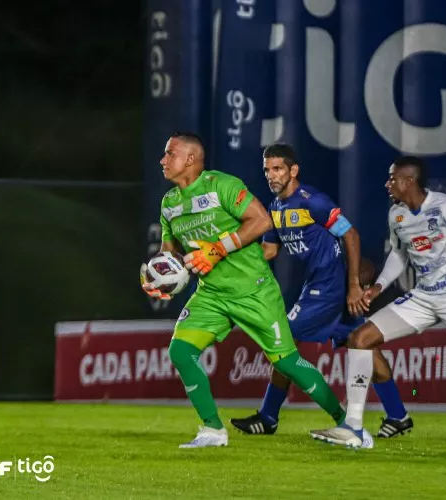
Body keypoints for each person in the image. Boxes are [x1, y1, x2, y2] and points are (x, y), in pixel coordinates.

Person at [309, 155, 446, 456]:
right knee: (360, 339)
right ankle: (354, 427)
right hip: (423, 296)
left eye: (392, 178)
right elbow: (399, 256)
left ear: (409, 181)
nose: (388, 184)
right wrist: (377, 288)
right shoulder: (397, 215)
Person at [142, 132, 347, 448]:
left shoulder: (222, 185)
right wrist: (160, 277)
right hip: (211, 294)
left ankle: (345, 423)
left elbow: (262, 221)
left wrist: (217, 249)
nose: (163, 160)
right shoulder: (169, 204)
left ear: (191, 159)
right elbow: (169, 255)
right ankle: (212, 429)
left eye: (170, 153)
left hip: (254, 291)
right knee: (181, 351)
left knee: (287, 363)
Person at [229, 144, 412, 440]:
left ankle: (269, 416)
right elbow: (269, 250)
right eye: (267, 169)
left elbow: (350, 234)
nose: (271, 175)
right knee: (362, 344)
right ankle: (398, 414)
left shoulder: (312, 201)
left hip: (328, 288)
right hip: (318, 286)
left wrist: (353, 285)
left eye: (277, 169)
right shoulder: (275, 207)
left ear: (293, 171)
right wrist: (231, 258)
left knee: (282, 342)